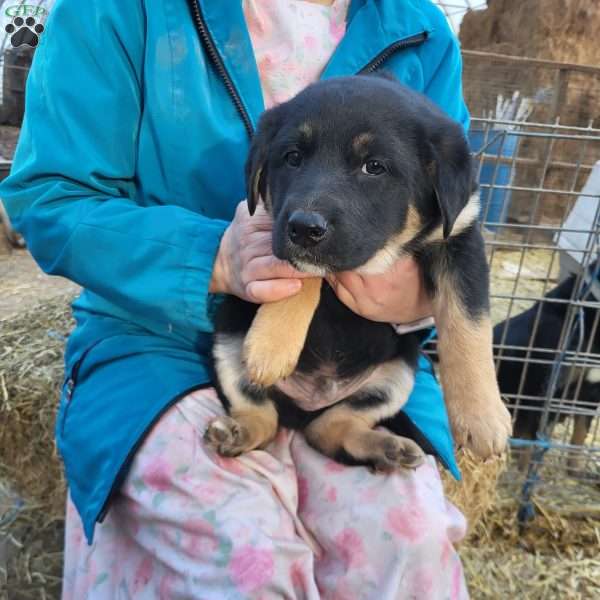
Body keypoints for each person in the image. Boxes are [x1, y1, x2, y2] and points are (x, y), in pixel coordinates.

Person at [1, 0, 472, 597]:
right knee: (244, 558)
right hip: (163, 339)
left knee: (408, 543)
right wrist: (213, 258)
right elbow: (51, 195)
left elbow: (450, 213)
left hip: (359, 353)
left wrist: (415, 296)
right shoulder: (119, 10)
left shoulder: (418, 28)